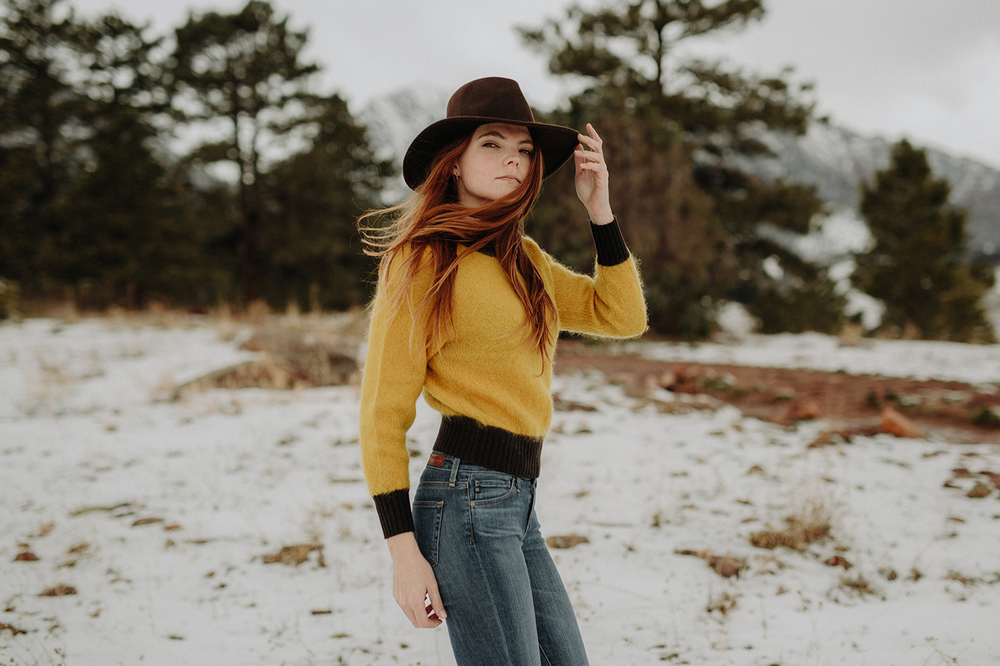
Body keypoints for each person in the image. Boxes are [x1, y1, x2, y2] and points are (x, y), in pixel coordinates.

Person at [358, 77, 647, 666]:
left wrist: (601, 212)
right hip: (464, 499)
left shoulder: (524, 258)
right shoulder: (420, 260)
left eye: (523, 150)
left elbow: (621, 315)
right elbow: (382, 413)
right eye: (492, 144)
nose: (512, 160)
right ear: (455, 163)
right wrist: (403, 553)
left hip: (517, 501)